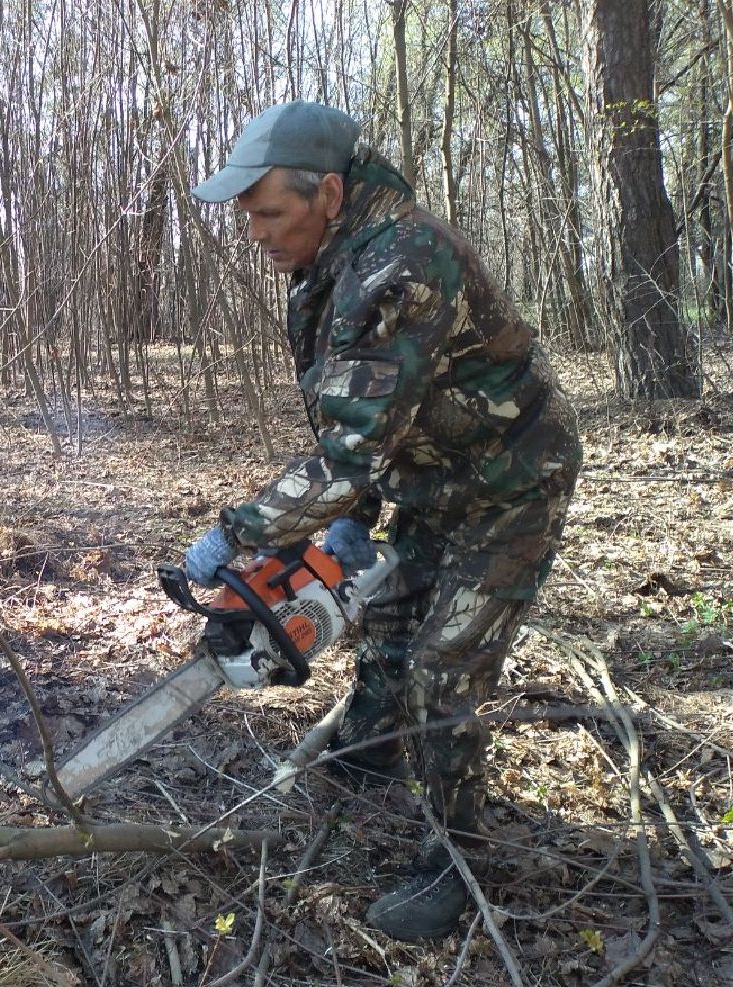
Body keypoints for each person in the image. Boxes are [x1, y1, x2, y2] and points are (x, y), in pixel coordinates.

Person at [182, 101, 582, 941]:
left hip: (511, 481)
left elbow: (347, 453)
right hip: (433, 473)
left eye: (266, 213)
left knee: (445, 664)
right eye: (248, 215)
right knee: (390, 614)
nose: (253, 231)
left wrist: (241, 533)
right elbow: (354, 417)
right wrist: (352, 520)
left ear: (326, 191)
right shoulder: (329, 261)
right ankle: (370, 748)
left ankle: (456, 859)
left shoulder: (398, 265)